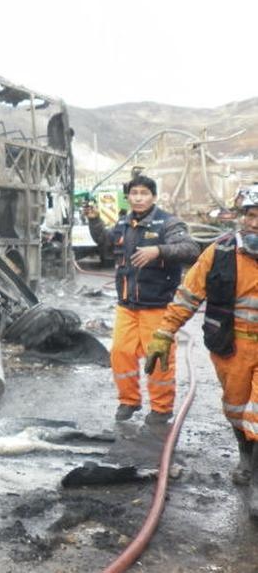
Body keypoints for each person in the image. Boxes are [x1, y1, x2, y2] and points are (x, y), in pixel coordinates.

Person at [146, 185, 258, 515]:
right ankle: (245, 455)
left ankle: (256, 489)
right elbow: (188, 296)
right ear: (241, 218)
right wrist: (164, 333)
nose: (256, 223)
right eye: (251, 215)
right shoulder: (220, 253)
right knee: (237, 409)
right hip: (232, 346)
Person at [84, 174, 199, 423]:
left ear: (153, 197)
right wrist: (94, 221)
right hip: (127, 305)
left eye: (144, 193)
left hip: (158, 306)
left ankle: (161, 407)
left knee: (158, 358)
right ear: (128, 197)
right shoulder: (124, 223)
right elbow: (105, 247)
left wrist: (158, 250)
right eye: (134, 193)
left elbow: (190, 250)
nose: (138, 198)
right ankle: (129, 401)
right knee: (121, 353)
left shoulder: (168, 223)